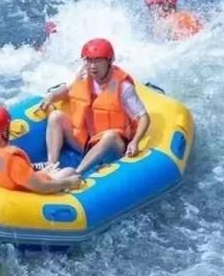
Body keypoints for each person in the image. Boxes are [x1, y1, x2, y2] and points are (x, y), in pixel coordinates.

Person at [38, 38, 150, 176]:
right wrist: (52, 97)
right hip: (87, 140)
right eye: (89, 60)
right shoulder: (85, 75)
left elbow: (143, 117)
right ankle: (51, 165)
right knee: (56, 116)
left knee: (110, 136)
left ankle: (76, 174)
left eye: (98, 60)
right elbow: (69, 89)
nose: (92, 66)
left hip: (113, 146)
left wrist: (135, 141)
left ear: (109, 61)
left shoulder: (124, 87)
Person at [0, 105, 81, 194]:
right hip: (26, 192)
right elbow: (43, 187)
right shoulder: (13, 161)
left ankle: (43, 167)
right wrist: (69, 182)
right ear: (4, 132)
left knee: (43, 168)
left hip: (4, 183)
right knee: (69, 171)